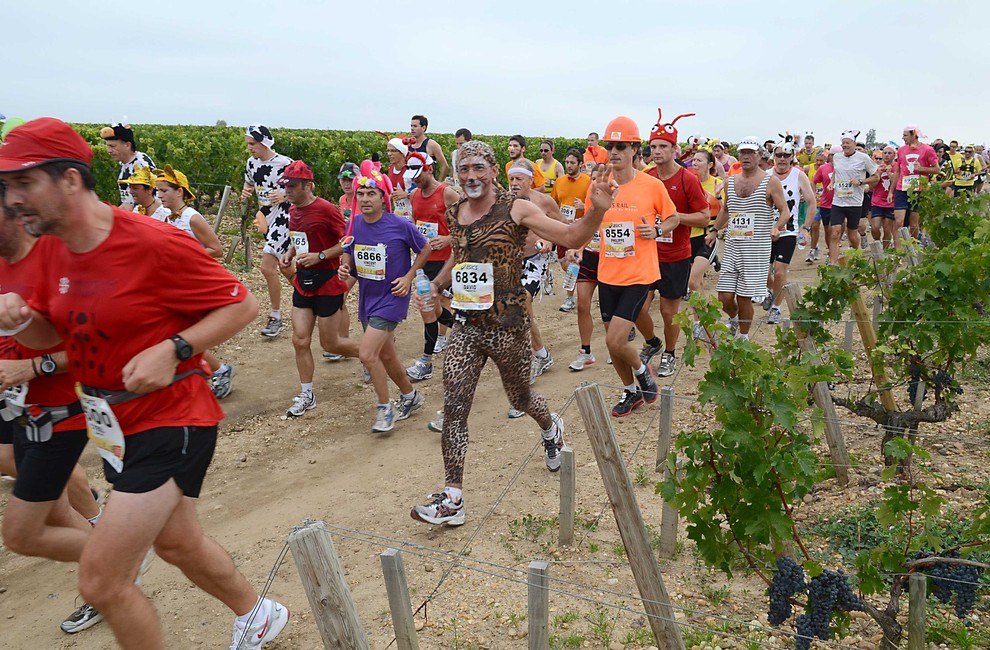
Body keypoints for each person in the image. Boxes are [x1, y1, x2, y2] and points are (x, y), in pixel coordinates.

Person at [0, 117, 288, 650]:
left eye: (23, 183)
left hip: (173, 415)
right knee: (178, 544)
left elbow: (241, 304)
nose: (13, 199)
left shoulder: (150, 240)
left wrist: (175, 348)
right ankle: (258, 612)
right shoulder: (50, 252)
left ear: (68, 180)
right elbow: (49, 337)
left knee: (101, 581)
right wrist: (19, 320)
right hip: (111, 423)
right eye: (6, 186)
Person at [410, 139, 614, 526]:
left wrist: (597, 212)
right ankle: (453, 498)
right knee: (454, 406)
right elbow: (460, 252)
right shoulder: (455, 212)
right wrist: (437, 285)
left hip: (508, 324)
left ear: (492, 170)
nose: (471, 176)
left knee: (520, 397)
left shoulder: (516, 208)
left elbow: (570, 237)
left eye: (478, 168)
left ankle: (551, 426)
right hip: (468, 324)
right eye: (464, 169)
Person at [0, 205, 105, 635]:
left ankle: (111, 565)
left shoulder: (55, 263)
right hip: (13, 404)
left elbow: (94, 346)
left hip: (52, 411)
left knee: (30, 526)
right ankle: (104, 535)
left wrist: (32, 368)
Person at [585, 116, 674, 416]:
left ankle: (641, 369)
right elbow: (587, 224)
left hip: (640, 274)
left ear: (635, 149)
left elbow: (673, 217)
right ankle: (631, 392)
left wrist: (659, 231)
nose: (614, 152)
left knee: (615, 338)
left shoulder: (651, 185)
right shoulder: (599, 185)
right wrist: (574, 247)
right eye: (611, 146)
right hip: (608, 272)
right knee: (613, 346)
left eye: (621, 146)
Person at [338, 161, 430, 432]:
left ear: (383, 198)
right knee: (387, 356)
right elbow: (347, 247)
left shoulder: (400, 225)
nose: (365, 199)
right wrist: (345, 266)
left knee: (367, 354)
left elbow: (424, 249)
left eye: (371, 194)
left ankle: (384, 409)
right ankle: (411, 396)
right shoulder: (353, 223)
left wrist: (409, 277)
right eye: (361, 194)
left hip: (392, 297)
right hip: (368, 297)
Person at [276, 160, 360, 417]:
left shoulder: (325, 209)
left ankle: (372, 353)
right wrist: (290, 253)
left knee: (331, 344)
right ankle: (306, 393)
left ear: (307, 186)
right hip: (304, 281)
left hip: (327, 281)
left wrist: (321, 256)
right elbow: (298, 238)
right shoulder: (293, 211)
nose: (288, 190)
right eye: (285, 185)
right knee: (300, 340)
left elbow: (347, 242)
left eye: (292, 185)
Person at [155, 165, 235, 399]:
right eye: (158, 190)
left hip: (189, 284)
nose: (159, 195)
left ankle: (219, 371)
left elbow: (217, 249)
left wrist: (187, 258)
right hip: (169, 283)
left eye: (164, 190)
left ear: (179, 191)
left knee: (183, 334)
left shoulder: (193, 218)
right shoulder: (163, 215)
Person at [640, 109, 709, 376]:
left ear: (675, 149)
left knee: (669, 311)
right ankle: (652, 342)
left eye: (662, 146)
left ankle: (669, 353)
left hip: (675, 255)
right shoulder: (646, 176)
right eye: (653, 146)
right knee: (637, 308)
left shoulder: (687, 179)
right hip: (646, 254)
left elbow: (704, 218)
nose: (656, 151)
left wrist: (673, 218)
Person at [705, 136, 791, 339]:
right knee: (724, 297)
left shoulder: (771, 182)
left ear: (759, 155)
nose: (746, 157)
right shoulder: (730, 181)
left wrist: (777, 227)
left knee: (744, 297)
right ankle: (734, 319)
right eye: (742, 152)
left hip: (757, 249)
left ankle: (743, 336)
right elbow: (726, 209)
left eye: (750, 153)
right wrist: (714, 230)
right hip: (733, 247)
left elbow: (784, 211)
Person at [404, 152, 460, 381]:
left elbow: (470, 227)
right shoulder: (415, 195)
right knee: (434, 309)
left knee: (430, 307)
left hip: (447, 261)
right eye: (412, 176)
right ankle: (466, 332)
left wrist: (448, 239)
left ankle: (425, 362)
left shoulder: (447, 193)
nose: (415, 180)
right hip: (424, 259)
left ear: (429, 169)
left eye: (418, 175)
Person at [507, 160, 562, 390]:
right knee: (514, 310)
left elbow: (564, 227)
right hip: (511, 261)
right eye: (511, 179)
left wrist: (549, 240)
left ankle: (534, 358)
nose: (514, 183)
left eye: (519, 179)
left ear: (531, 180)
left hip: (536, 259)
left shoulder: (544, 201)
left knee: (523, 302)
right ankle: (540, 353)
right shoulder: (504, 202)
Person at [241, 124, 294, 338]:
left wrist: (285, 196)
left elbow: (309, 187)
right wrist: (246, 193)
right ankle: (310, 297)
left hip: (284, 215)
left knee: (266, 267)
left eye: (252, 144)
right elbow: (249, 184)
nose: (250, 149)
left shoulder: (285, 163)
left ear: (263, 142)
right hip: (266, 216)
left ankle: (275, 316)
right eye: (248, 145)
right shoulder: (251, 163)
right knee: (285, 268)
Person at [765, 142, 816, 324]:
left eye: (786, 155)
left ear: (792, 157)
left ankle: (777, 308)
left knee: (779, 271)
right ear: (773, 157)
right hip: (767, 231)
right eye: (779, 155)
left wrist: (806, 227)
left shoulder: (798, 176)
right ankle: (772, 291)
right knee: (764, 273)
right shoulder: (766, 176)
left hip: (789, 230)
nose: (782, 159)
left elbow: (811, 202)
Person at [827, 130, 878, 264]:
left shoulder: (863, 158)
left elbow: (875, 177)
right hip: (838, 201)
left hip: (855, 202)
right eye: (843, 143)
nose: (845, 146)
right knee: (835, 232)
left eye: (848, 143)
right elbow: (836, 171)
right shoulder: (837, 157)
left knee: (852, 234)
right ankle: (832, 264)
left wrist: (861, 182)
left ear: (854, 144)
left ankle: (856, 257)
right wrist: (832, 183)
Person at [551, 149, 591, 314]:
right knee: (563, 262)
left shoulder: (588, 181)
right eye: (567, 162)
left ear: (580, 164)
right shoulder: (559, 182)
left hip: (580, 228)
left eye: (572, 162)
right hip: (562, 228)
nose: (569, 165)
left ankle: (570, 298)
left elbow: (596, 206)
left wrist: (584, 207)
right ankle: (575, 284)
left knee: (573, 262)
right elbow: (553, 203)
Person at [892, 125, 939, 245]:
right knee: (898, 221)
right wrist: (891, 191)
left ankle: (912, 247)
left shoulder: (927, 150)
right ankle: (898, 251)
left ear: (914, 135)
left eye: (905, 135)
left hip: (919, 189)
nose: (903, 138)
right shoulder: (901, 150)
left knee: (913, 224)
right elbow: (897, 171)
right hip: (902, 188)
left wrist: (922, 168)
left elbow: (936, 169)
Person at [688, 149, 723, 297]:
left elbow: (728, 212)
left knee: (692, 281)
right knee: (697, 283)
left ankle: (703, 318)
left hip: (707, 237)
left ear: (710, 164)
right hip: (687, 237)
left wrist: (719, 197)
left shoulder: (718, 184)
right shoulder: (688, 182)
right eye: (693, 160)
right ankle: (700, 320)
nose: (695, 163)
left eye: (699, 160)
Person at [100, 123, 155, 211]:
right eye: (108, 146)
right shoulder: (124, 163)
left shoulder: (141, 165)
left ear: (127, 145)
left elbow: (132, 204)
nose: (109, 151)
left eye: (112, 146)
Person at [810, 147, 837, 262]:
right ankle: (828, 251)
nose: (833, 157)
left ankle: (832, 255)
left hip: (839, 204)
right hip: (825, 204)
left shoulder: (845, 167)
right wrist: (814, 194)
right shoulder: (823, 168)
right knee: (826, 230)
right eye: (832, 155)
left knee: (834, 230)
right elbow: (814, 181)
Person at [870, 145, 898, 248]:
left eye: (889, 153)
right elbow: (871, 186)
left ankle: (885, 251)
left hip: (891, 202)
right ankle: (878, 243)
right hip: (877, 201)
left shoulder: (897, 168)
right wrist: (878, 175)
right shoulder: (877, 168)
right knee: (875, 227)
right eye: (885, 153)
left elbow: (898, 185)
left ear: (894, 155)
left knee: (887, 228)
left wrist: (890, 174)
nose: (887, 155)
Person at [408, 115, 449, 180]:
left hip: (427, 186)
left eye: (415, 126)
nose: (412, 128)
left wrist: (439, 184)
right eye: (411, 126)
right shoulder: (407, 145)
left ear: (423, 128)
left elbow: (445, 166)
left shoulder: (431, 145)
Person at [385, 138, 412, 220]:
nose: (389, 154)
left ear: (402, 153)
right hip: (397, 214)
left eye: (393, 151)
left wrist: (406, 194)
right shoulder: (391, 168)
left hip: (412, 215)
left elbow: (422, 193)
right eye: (388, 151)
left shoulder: (410, 170)